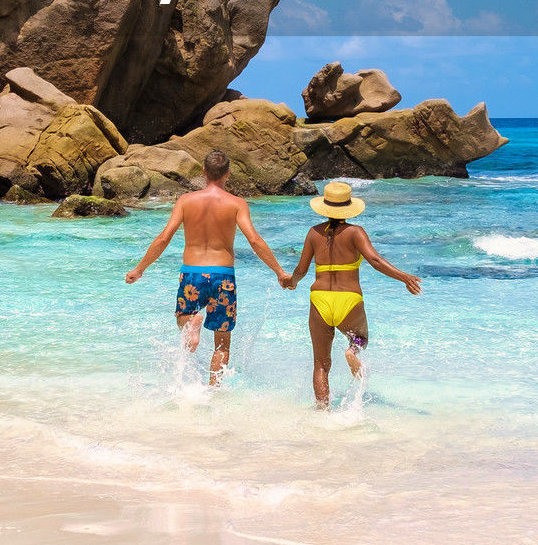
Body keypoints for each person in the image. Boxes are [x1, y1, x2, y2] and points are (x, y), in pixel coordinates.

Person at [125, 149, 289, 385]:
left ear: (203, 172)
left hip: (192, 274)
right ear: (228, 174)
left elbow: (164, 238)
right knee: (222, 343)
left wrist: (140, 269)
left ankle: (191, 323)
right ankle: (214, 390)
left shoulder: (185, 201)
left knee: (183, 316)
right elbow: (254, 240)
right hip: (223, 276)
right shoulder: (236, 204)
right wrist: (279, 272)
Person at [283, 180, 422, 408]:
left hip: (319, 300)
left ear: (325, 206)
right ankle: (352, 351)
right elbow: (375, 261)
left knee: (320, 364)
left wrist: (291, 282)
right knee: (361, 338)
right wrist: (404, 277)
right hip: (349, 299)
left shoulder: (313, 233)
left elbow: (301, 270)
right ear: (348, 207)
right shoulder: (355, 232)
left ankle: (322, 413)